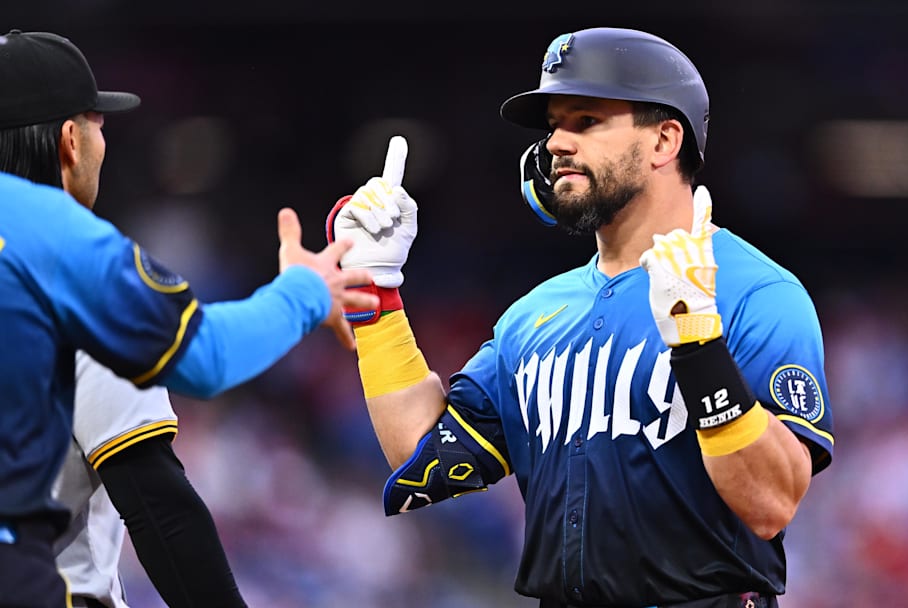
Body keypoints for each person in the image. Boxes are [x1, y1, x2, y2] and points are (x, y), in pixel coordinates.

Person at [329, 27, 834, 607]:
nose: (556, 144)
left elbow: (771, 505)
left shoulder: (756, 292)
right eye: (553, 127)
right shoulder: (536, 314)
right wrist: (375, 294)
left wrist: (699, 348)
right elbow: (420, 452)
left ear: (665, 140)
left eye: (586, 121)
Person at [0, 30, 377, 607]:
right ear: (70, 140)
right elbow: (163, 507)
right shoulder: (63, 257)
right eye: (98, 122)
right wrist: (304, 293)